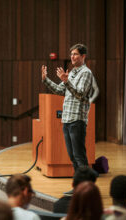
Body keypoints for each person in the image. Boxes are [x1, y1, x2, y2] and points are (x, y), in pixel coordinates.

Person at [42, 44, 94, 174]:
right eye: (71, 54)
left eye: (75, 54)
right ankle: (78, 186)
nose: (72, 56)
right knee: (72, 157)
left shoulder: (86, 73)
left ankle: (85, 187)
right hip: (67, 119)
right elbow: (60, 90)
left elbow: (80, 94)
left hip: (77, 120)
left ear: (83, 56)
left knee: (79, 157)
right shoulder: (71, 73)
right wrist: (45, 80)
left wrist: (66, 82)